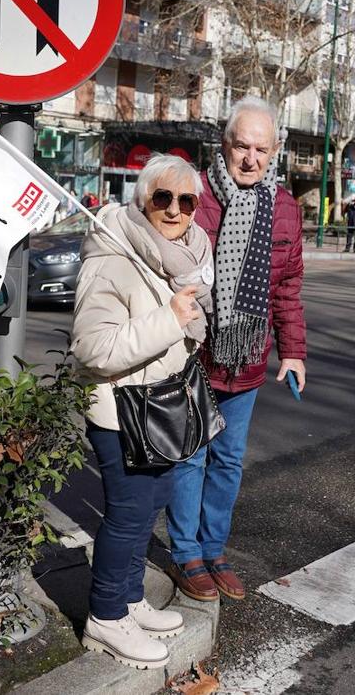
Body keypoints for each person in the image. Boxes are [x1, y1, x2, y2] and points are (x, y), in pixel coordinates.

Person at [71, 154, 213, 670]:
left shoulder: (182, 255)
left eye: (187, 201)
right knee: (129, 516)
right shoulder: (114, 255)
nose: (175, 210)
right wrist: (170, 319)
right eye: (163, 198)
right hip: (122, 410)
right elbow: (93, 348)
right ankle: (106, 618)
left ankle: (129, 600)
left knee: (150, 505)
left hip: (161, 406)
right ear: (142, 199)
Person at [166, 95, 306, 604]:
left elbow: (287, 287)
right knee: (190, 458)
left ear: (274, 153)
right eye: (242, 146)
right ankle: (186, 555)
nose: (250, 158)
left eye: (261, 149)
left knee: (227, 461)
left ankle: (214, 550)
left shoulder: (285, 208)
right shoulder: (190, 195)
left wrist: (293, 351)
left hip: (246, 358)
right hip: (192, 354)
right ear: (224, 146)